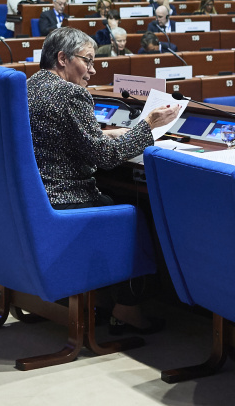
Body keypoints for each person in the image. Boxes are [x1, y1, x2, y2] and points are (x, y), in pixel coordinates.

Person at [25, 27, 178, 332]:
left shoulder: (31, 85)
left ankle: (103, 298)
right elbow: (107, 158)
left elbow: (56, 134)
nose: (93, 70)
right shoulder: (71, 93)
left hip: (36, 197)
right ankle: (127, 310)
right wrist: (147, 125)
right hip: (65, 199)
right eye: (88, 61)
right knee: (135, 214)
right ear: (62, 58)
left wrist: (105, 134)